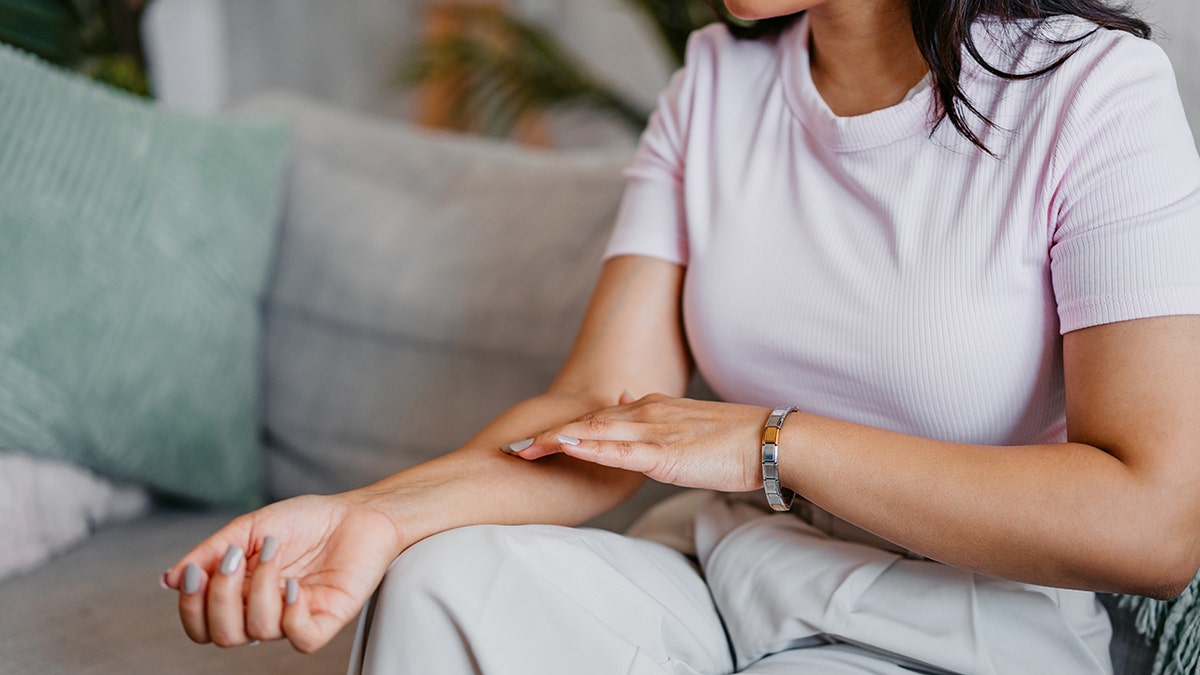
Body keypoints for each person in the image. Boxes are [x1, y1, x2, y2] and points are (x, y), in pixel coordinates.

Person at [164, 0, 1200, 672]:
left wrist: (770, 441)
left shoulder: (1092, 92)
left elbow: (1153, 524)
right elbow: (596, 412)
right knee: (449, 587)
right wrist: (374, 517)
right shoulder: (715, 83)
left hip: (964, 624)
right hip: (727, 572)